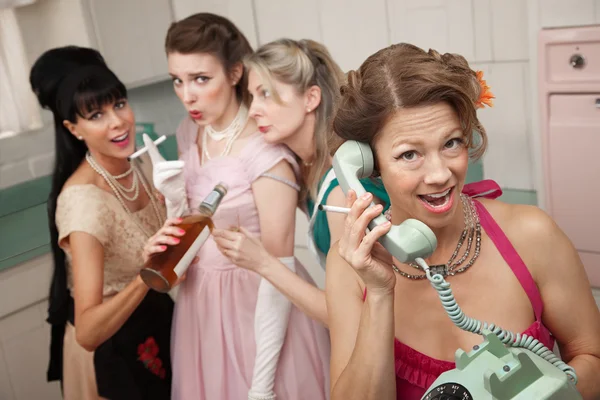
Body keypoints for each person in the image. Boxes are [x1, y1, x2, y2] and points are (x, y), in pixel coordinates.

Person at [325, 42, 600, 400]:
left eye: (452, 143)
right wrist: (379, 293)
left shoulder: (532, 235)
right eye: (410, 154)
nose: (441, 174)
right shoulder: (348, 267)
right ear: (369, 165)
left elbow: (591, 355)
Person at [150, 13, 330, 400]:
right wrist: (173, 205)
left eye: (201, 79)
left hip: (259, 308)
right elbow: (191, 231)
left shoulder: (266, 148)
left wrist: (261, 387)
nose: (187, 95)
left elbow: (278, 268)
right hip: (202, 306)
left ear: (234, 74)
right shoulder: (188, 132)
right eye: (177, 80)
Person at [31, 46, 181, 400]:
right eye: (96, 115)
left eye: (118, 104)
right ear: (73, 128)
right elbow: (88, 331)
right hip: (114, 354)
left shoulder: (137, 166)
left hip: (157, 323)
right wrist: (151, 272)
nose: (117, 122)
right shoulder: (84, 202)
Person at [213, 38, 389, 326]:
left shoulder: (341, 192)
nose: (254, 109)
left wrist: (263, 262)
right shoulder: (307, 168)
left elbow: (347, 317)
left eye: (266, 94)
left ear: (311, 98)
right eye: (252, 96)